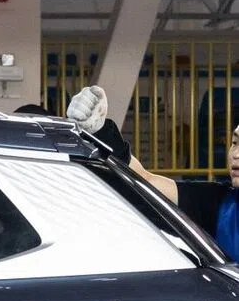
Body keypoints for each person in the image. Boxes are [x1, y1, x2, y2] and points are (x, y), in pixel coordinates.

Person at [67, 84, 239, 260]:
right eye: (234, 143)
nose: (236, 154)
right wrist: (100, 131)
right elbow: (144, 181)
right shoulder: (219, 203)